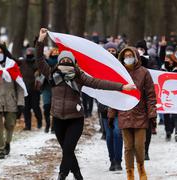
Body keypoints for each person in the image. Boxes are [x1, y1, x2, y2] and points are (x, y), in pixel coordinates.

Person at [36, 28, 135, 180]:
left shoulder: (79, 77)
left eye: (69, 61)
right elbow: (40, 60)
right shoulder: (51, 75)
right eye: (63, 60)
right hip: (57, 119)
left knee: (68, 149)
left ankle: (62, 175)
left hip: (75, 119)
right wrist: (41, 41)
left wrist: (122, 87)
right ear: (58, 61)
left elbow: (99, 83)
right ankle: (77, 174)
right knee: (67, 151)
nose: (66, 62)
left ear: (74, 63)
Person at [108, 47, 157, 180]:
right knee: (128, 147)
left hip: (140, 114)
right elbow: (114, 95)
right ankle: (130, 173)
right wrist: (111, 115)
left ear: (136, 57)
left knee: (139, 145)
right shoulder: (119, 73)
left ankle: (141, 168)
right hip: (124, 113)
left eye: (130, 55)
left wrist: (152, 114)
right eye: (126, 56)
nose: (128, 57)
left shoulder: (144, 73)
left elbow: (151, 95)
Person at [101, 42, 123, 171]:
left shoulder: (120, 67)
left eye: (113, 50)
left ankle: (118, 161)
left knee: (117, 133)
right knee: (109, 136)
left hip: (118, 105)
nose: (111, 52)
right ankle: (112, 160)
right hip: (104, 106)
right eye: (108, 50)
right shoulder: (100, 66)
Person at [20, 47, 43, 130]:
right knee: (26, 109)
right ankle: (27, 125)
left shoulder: (37, 63)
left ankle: (39, 122)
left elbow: (40, 73)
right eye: (27, 53)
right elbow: (13, 60)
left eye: (30, 53)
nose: (29, 54)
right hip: (25, 89)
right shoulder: (22, 62)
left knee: (35, 107)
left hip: (35, 90)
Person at [40, 47, 59, 133]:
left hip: (57, 87)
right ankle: (47, 124)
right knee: (46, 107)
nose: (55, 52)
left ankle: (54, 127)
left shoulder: (60, 62)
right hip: (46, 87)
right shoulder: (46, 61)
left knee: (55, 108)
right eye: (53, 51)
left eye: (56, 51)